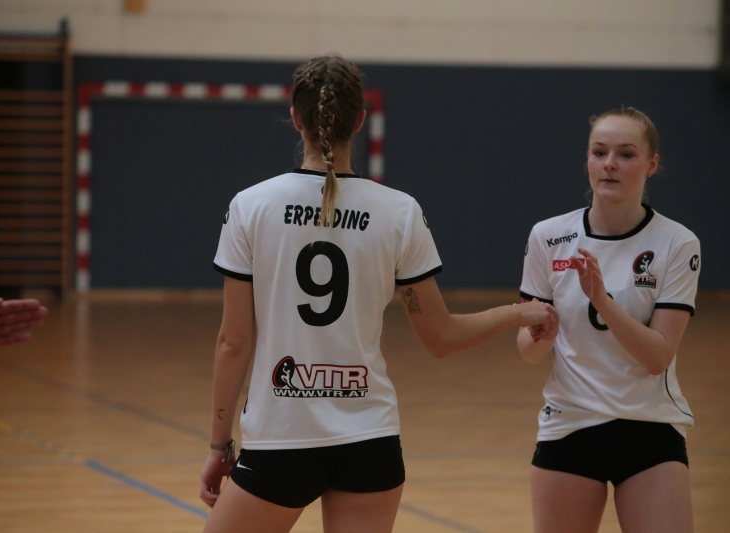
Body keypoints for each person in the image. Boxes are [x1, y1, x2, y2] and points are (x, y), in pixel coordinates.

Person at [199, 55, 557, 533]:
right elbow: (442, 337)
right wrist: (517, 313)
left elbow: (233, 343)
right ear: (360, 121)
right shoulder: (399, 212)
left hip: (283, 438)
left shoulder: (251, 206)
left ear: (296, 117)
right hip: (370, 441)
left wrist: (219, 443)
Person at [517, 107, 701, 533]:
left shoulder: (677, 242)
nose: (610, 164)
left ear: (651, 164)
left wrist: (601, 300)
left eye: (626, 154)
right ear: (587, 160)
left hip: (649, 427)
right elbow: (528, 353)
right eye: (599, 152)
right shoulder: (548, 236)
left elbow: (657, 357)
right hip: (570, 425)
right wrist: (541, 334)